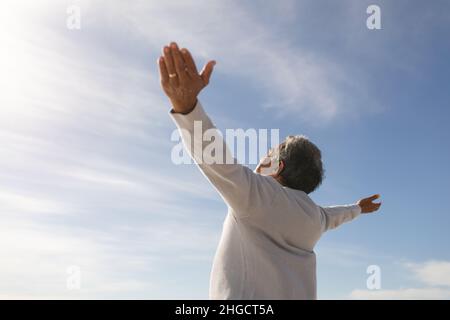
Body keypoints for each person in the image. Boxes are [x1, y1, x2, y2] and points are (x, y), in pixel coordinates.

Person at [157, 42, 382, 299]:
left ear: (278, 165)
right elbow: (335, 215)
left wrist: (187, 108)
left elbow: (218, 160)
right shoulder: (314, 217)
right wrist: (358, 209)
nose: (264, 155)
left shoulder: (257, 195)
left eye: (271, 152)